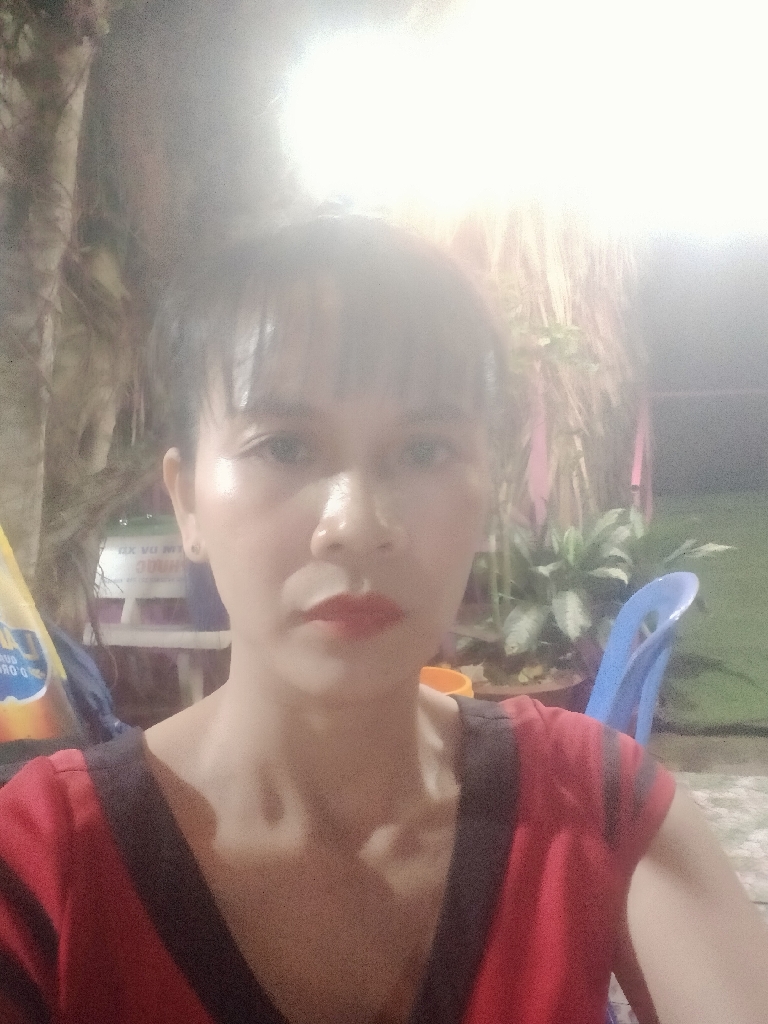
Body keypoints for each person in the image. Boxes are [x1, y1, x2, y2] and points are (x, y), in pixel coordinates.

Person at [0, 216, 766, 1024]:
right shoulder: (45, 864)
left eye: (425, 450)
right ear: (187, 499)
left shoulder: (589, 803)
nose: (357, 524)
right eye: (284, 446)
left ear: (489, 492)